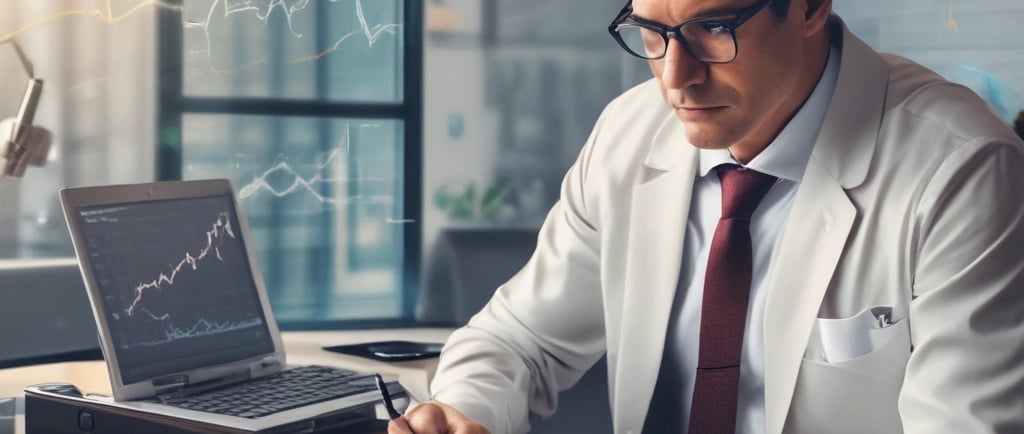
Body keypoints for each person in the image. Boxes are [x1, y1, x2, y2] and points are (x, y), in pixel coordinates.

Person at [392, 0, 1024, 433]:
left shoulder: (963, 168)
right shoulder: (627, 133)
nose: (676, 78)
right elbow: (520, 342)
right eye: (651, 31)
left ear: (810, 7)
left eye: (714, 28)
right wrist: (462, 410)